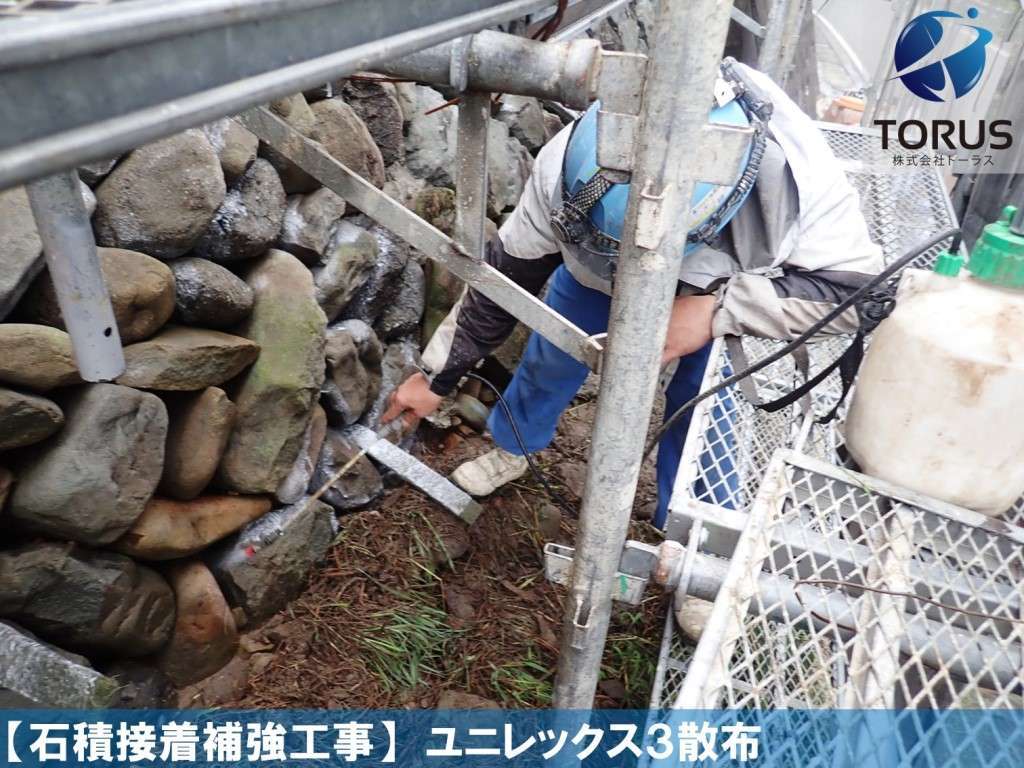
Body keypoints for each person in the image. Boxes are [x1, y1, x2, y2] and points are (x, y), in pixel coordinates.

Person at [382, 59, 882, 528]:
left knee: (703, 403)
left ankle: (690, 527)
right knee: (554, 349)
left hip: (716, 292)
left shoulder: (798, 183)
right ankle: (515, 446)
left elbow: (861, 297)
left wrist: (719, 310)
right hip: (594, 278)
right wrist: (438, 376)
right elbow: (506, 279)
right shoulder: (564, 167)